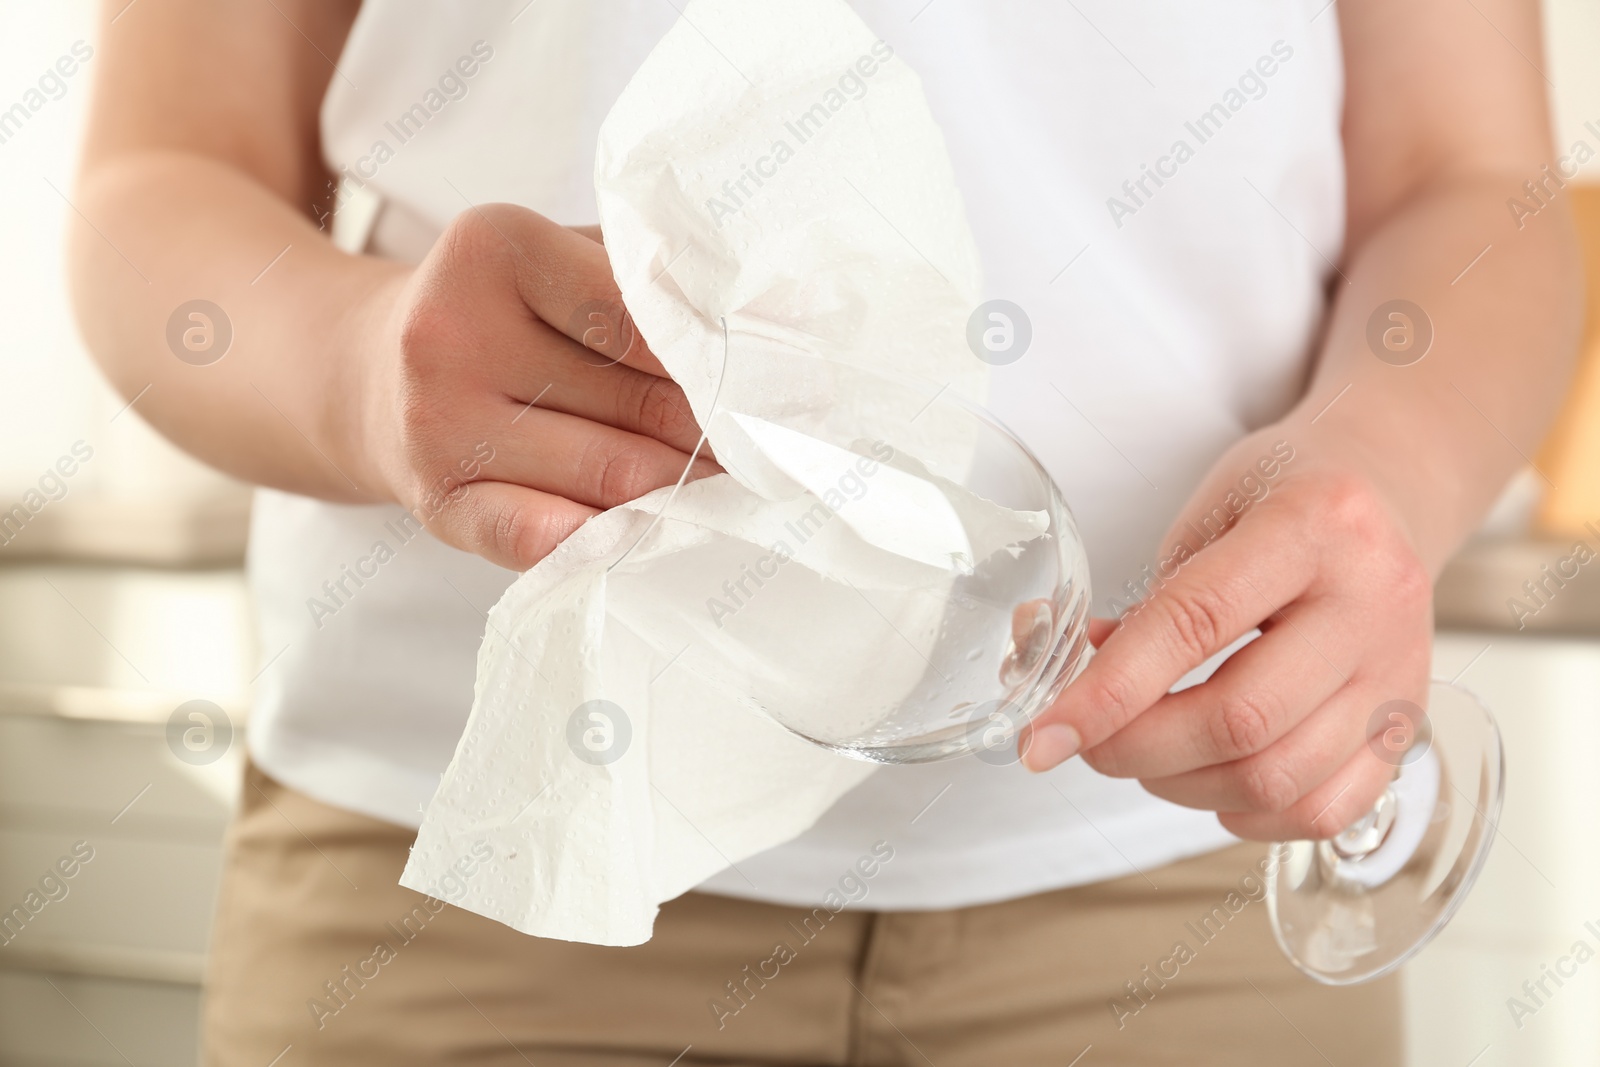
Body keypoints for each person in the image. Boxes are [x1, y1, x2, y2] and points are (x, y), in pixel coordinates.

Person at [68, 0, 1579, 1064]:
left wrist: (1386, 461)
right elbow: (161, 177)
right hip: (477, 880)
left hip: (1192, 867)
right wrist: (359, 368)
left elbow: (1473, 181)